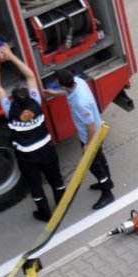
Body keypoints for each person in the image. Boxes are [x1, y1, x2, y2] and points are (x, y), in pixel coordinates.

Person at [0, 44, 63, 222]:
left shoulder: (9, 109)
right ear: (29, 95)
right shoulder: (36, 101)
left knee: (35, 186)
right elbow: (30, 74)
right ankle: (62, 205)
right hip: (46, 149)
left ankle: (45, 214)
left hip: (27, 156)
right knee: (55, 179)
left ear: (12, 99)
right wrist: (11, 56)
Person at [50, 69, 114, 210]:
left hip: (91, 136)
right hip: (98, 130)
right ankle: (108, 181)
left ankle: (107, 193)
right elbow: (68, 93)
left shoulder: (80, 102)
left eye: (57, 82)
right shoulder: (78, 82)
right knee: (100, 158)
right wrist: (54, 93)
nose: (55, 83)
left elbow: (90, 125)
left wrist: (88, 144)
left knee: (94, 166)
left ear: (62, 84)